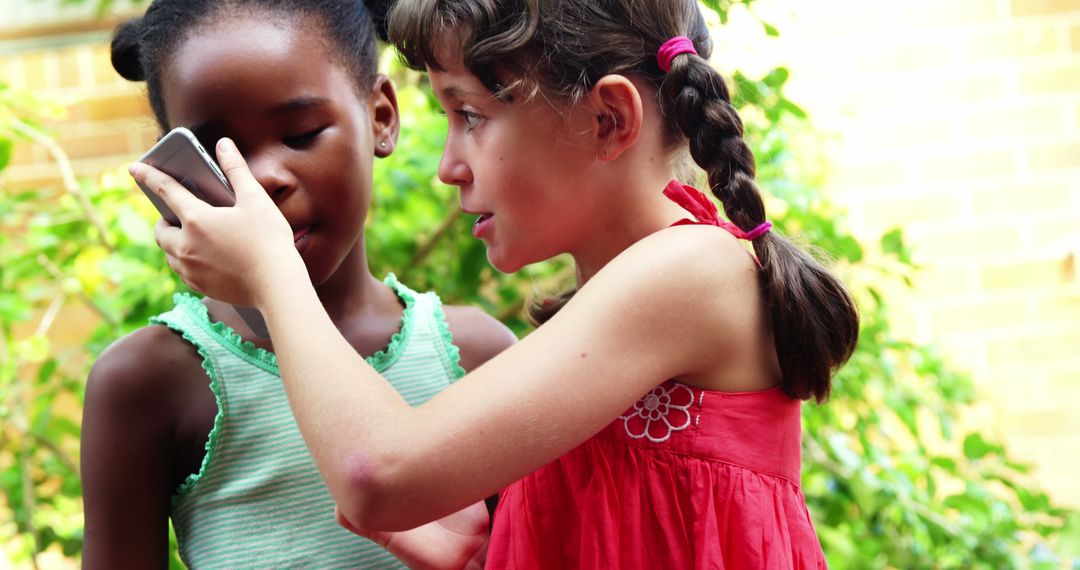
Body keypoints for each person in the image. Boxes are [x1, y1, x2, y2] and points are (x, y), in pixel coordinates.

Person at [133, 0, 861, 567]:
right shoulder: (621, 299)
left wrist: (269, 272)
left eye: (470, 116)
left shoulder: (693, 270)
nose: (450, 164)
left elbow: (376, 473)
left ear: (609, 120)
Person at [80, 0, 516, 568]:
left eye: (302, 133)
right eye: (218, 153)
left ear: (381, 116)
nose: (262, 177)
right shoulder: (147, 383)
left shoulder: (475, 356)